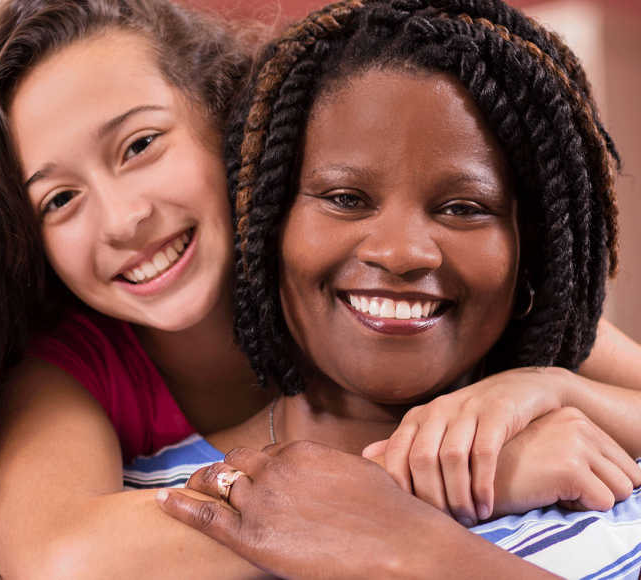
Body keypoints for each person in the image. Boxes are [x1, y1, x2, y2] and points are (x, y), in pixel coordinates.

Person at [0, 0, 641, 578]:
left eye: (140, 146)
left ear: (231, 124)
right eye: (58, 200)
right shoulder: (75, 369)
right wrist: (449, 478)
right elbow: (66, 556)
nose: (124, 219)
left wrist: (545, 391)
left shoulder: (396, 292)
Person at [145, 0, 641, 577]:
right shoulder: (157, 512)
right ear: (265, 225)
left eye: (464, 208)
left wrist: (557, 389)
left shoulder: (600, 467)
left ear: (530, 250)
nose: (402, 252)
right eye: (345, 199)